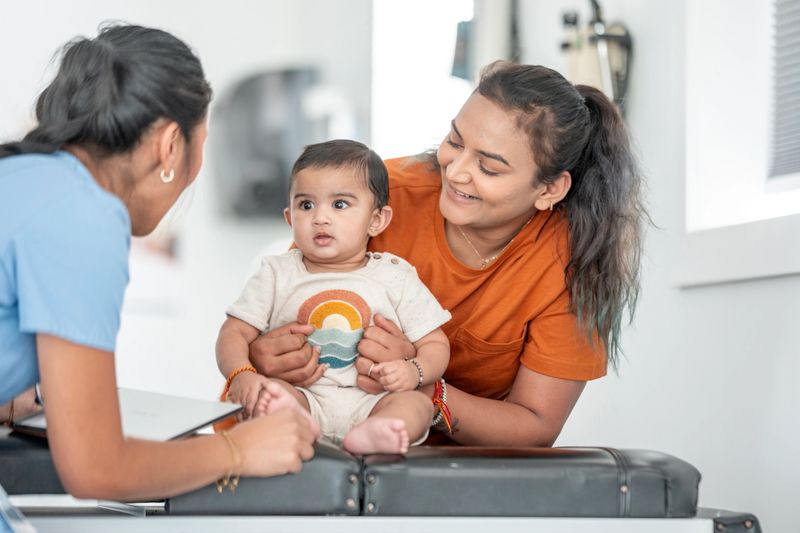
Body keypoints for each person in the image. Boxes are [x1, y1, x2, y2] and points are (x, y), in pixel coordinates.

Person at [247, 61, 646, 447]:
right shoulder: (378, 200)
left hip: (446, 473)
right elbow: (278, 308)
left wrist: (421, 383)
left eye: (489, 167)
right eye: (455, 142)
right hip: (308, 436)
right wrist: (262, 355)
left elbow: (536, 425)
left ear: (549, 190)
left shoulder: (571, 261)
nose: (455, 172)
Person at [0, 24, 319, 501]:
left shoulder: (22, 175)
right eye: (202, 141)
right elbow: (97, 468)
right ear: (170, 145)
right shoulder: (85, 215)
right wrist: (241, 448)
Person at [216, 139, 451, 455]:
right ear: (289, 218)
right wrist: (241, 374)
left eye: (339, 204)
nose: (320, 218)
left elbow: (435, 343)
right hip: (302, 395)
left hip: (375, 400)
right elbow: (233, 333)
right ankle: (295, 422)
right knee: (271, 395)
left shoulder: (396, 275)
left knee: (417, 405)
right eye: (306, 205)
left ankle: (377, 433)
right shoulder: (276, 273)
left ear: (376, 220)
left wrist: (415, 371)